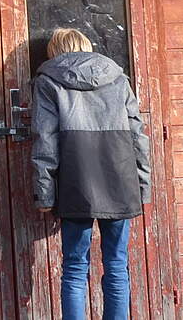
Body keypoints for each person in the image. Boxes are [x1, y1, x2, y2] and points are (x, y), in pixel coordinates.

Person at [30, 27, 150, 320]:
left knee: (74, 266)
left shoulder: (48, 82)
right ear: (87, 46)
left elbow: (45, 141)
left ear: (55, 52)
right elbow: (138, 136)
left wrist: (44, 193)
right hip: (120, 179)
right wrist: (143, 185)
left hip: (76, 180)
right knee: (117, 264)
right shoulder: (118, 79)